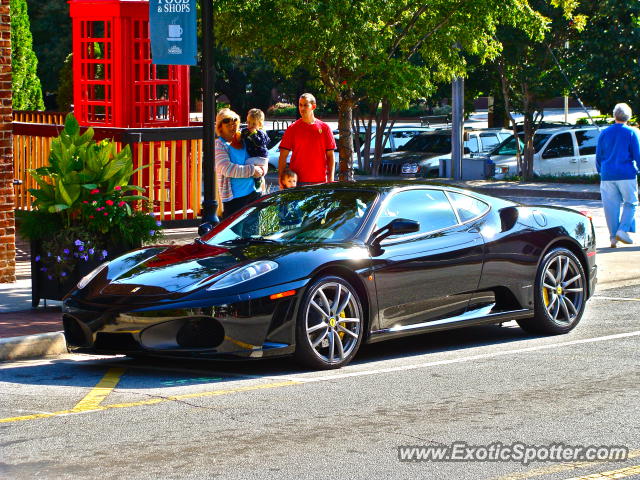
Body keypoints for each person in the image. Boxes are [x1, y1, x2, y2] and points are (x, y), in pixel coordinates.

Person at [595, 103, 639, 248]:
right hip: (626, 173)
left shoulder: (604, 132)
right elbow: (637, 155)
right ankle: (623, 230)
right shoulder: (631, 133)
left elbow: (599, 156)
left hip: (607, 174)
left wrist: (601, 171)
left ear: (614, 115)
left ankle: (613, 238)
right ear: (629, 117)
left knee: (610, 207)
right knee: (631, 203)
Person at [214, 108, 265, 219]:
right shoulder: (219, 145)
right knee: (236, 235)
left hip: (254, 194)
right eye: (228, 125)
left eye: (234, 124)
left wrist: (263, 169)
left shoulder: (245, 139)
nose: (232, 127)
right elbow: (227, 169)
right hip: (234, 200)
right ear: (220, 127)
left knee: (253, 233)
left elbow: (261, 157)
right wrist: (253, 170)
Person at [278, 93, 336, 188]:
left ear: (313, 106)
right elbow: (283, 156)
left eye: (305, 105)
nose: (302, 108)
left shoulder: (325, 128)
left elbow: (330, 156)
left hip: (320, 182)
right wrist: (281, 179)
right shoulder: (292, 128)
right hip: (296, 183)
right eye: (300, 105)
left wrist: (331, 179)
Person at [241, 108, 270, 192]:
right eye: (248, 122)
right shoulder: (247, 130)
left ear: (260, 124)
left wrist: (254, 134)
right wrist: (242, 134)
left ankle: (258, 178)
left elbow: (259, 143)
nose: (250, 125)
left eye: (254, 124)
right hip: (256, 157)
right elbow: (243, 137)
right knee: (248, 163)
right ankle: (257, 179)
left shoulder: (261, 133)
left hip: (261, 158)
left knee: (246, 163)